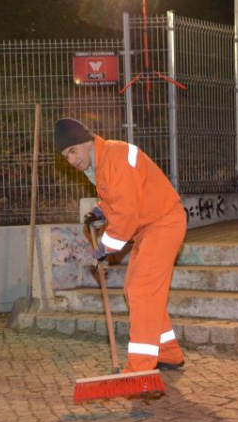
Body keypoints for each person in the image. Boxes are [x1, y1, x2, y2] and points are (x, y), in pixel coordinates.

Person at [54, 118, 186, 373]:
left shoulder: (116, 157)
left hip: (163, 223)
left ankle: (140, 369)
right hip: (148, 228)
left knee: (142, 290)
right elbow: (118, 198)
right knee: (134, 290)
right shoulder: (103, 161)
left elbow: (126, 212)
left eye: (72, 151)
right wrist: (100, 211)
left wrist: (105, 247)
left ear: (86, 141)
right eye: (65, 156)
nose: (70, 161)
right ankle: (167, 352)